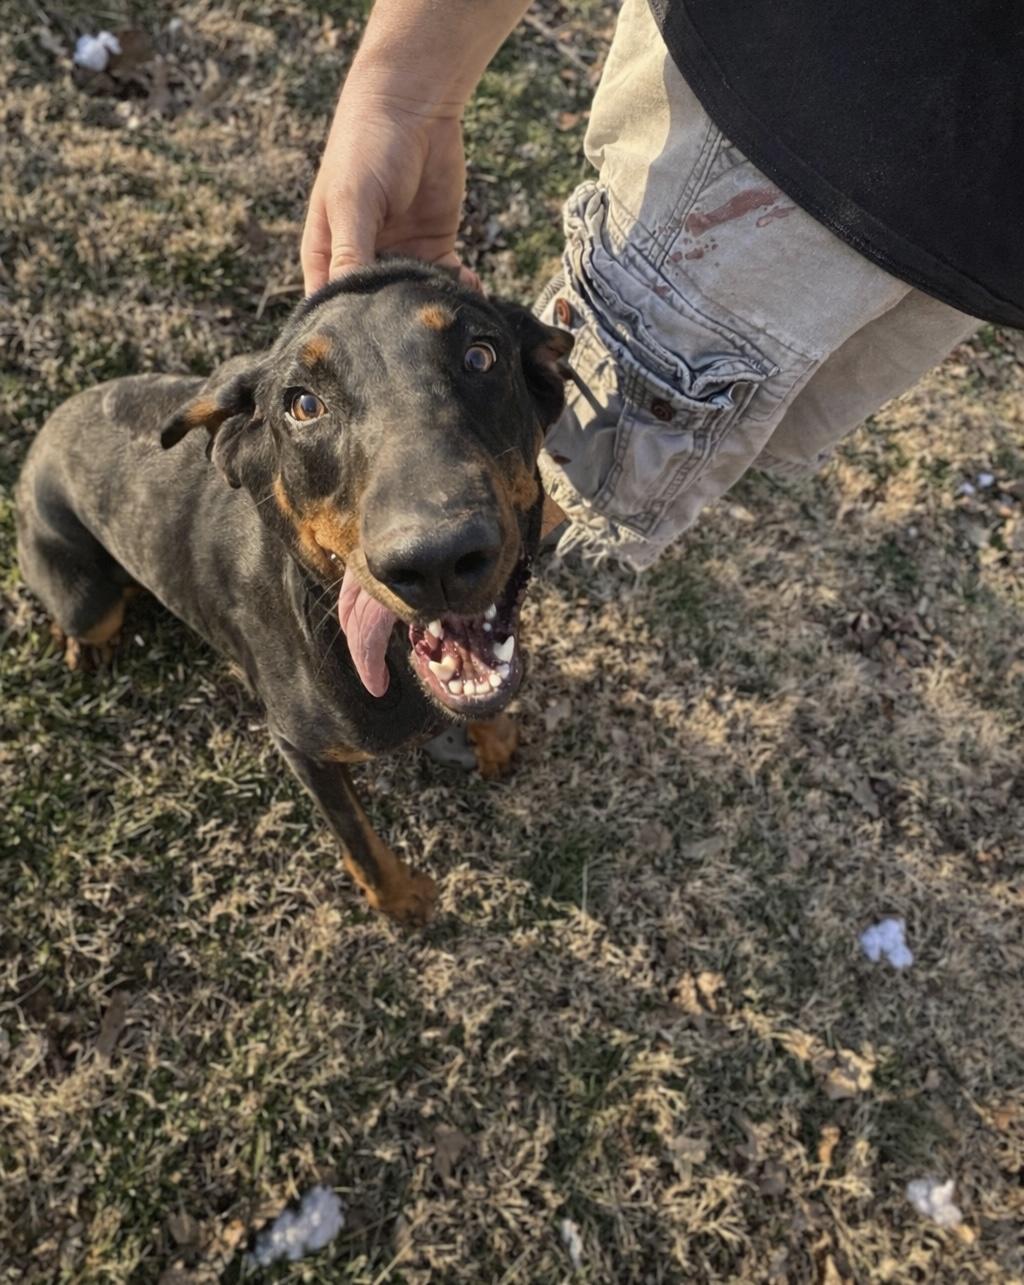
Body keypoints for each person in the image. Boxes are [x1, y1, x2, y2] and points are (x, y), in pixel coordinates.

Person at [302, 0, 1023, 571]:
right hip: (793, 110)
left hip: (984, 233)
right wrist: (407, 86)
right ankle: (466, 592)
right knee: (597, 450)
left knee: (752, 436)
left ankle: (493, 573)